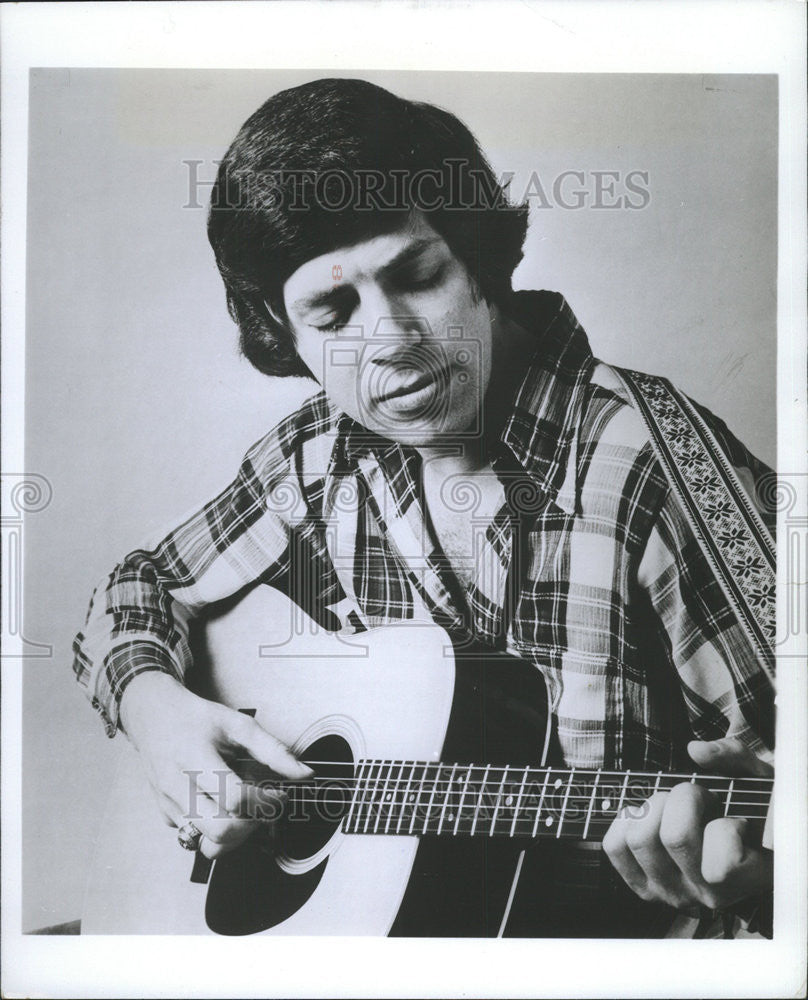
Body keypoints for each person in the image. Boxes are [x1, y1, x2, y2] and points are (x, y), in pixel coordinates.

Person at [73, 77, 774, 938]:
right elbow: (138, 588)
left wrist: (752, 863)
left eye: (417, 276)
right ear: (281, 335)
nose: (391, 340)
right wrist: (156, 713)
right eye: (332, 312)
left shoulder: (652, 463)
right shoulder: (319, 455)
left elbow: (778, 770)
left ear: (478, 257)